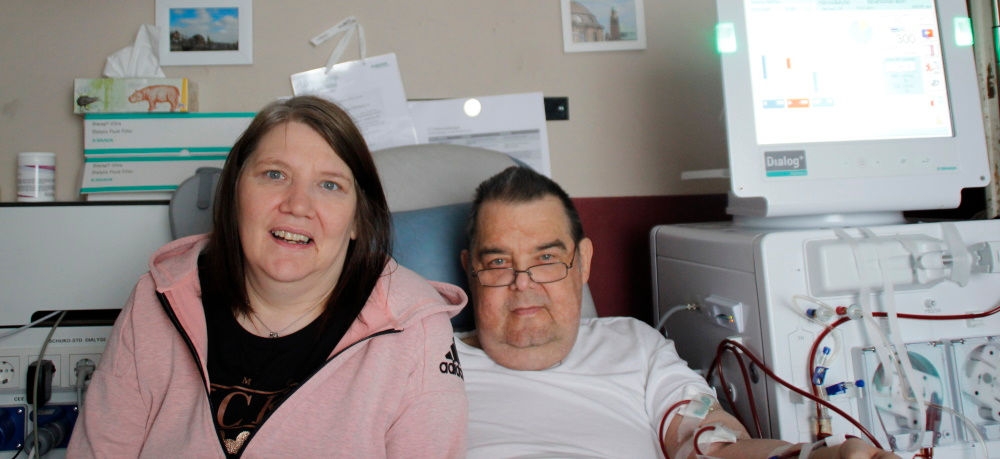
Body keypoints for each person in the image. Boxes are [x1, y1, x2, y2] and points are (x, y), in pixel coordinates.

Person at [68, 95, 468, 458]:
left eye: (329, 185)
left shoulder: (416, 329)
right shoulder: (156, 298)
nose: (297, 205)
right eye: (275, 175)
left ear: (357, 221)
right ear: (234, 193)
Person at [456, 165, 899, 459]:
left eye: (547, 258)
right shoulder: (429, 357)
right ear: (469, 270)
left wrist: (813, 457)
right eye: (498, 262)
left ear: (584, 262)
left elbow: (709, 441)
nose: (523, 282)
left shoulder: (634, 345)